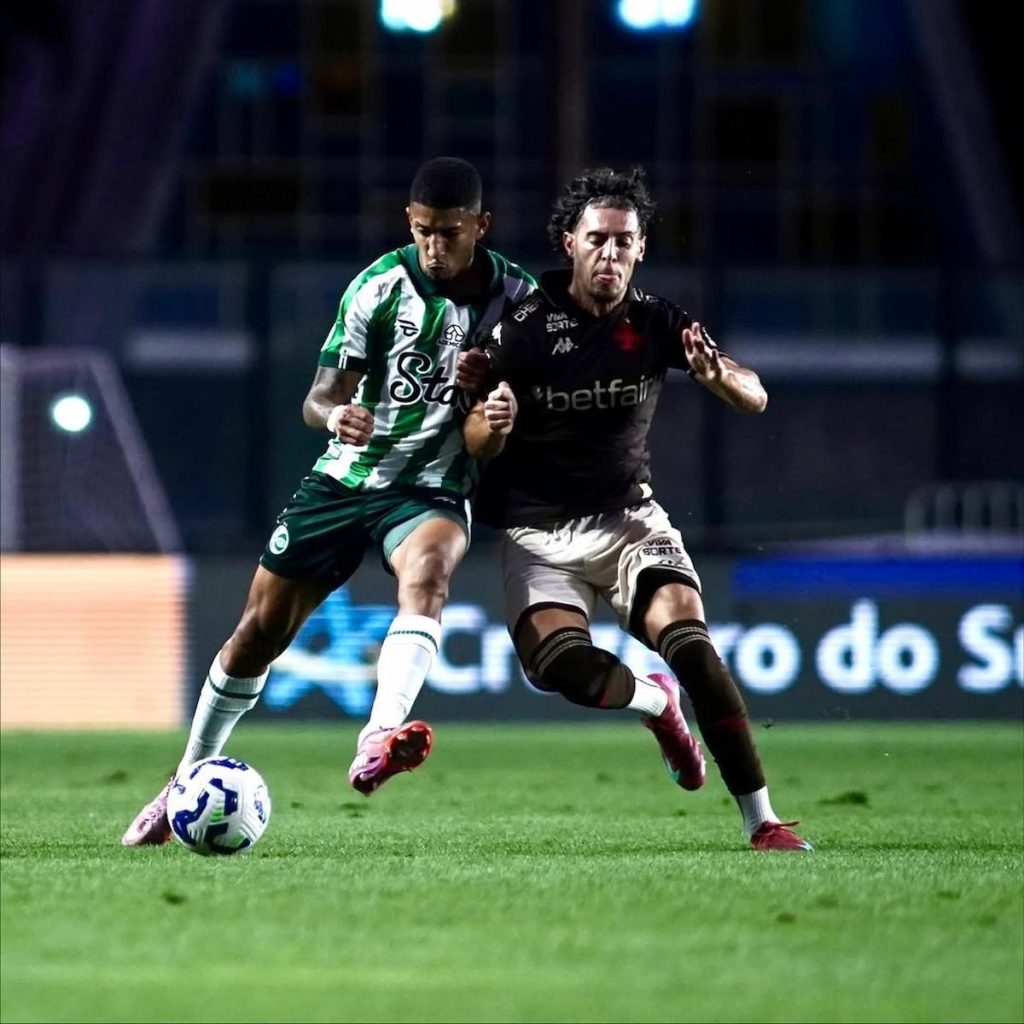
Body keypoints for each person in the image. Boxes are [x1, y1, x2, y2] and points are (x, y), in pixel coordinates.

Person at [122, 157, 535, 845]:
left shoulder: (518, 300)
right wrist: (336, 415)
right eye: (424, 231)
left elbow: (482, 441)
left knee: (429, 573)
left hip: (431, 485)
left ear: (481, 226)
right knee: (257, 634)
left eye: (451, 233)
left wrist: (493, 417)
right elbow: (317, 398)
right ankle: (182, 782)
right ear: (410, 223)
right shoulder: (377, 287)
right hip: (345, 480)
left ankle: (378, 736)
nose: (436, 246)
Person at [464, 166, 811, 852]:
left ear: (641, 248)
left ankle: (762, 821)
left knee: (694, 649)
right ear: (570, 243)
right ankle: (656, 703)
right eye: (597, 239)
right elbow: (474, 433)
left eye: (624, 241)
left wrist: (720, 378)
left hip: (630, 523)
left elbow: (756, 393)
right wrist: (492, 423)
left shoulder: (656, 321)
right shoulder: (524, 327)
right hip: (538, 534)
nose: (610, 253)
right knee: (561, 668)